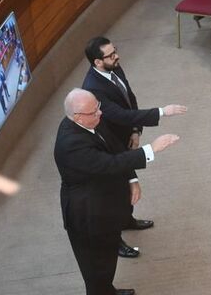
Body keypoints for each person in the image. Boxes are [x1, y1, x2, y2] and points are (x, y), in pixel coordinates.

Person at [54, 88, 179, 295]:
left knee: (107, 258)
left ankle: (107, 290)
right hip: (88, 216)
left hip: (104, 207)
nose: (100, 114)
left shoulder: (90, 119)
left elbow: (114, 146)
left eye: (98, 108)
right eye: (93, 112)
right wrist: (151, 149)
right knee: (95, 268)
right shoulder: (71, 144)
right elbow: (110, 163)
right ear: (77, 117)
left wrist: (132, 179)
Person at [82, 37, 188, 258]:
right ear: (97, 62)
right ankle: (116, 241)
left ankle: (127, 220)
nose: (116, 56)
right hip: (108, 144)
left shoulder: (115, 68)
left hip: (124, 136)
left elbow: (130, 100)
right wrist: (161, 111)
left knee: (126, 189)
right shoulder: (93, 88)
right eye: (110, 55)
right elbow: (118, 115)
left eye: (115, 51)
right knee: (115, 193)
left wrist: (135, 130)